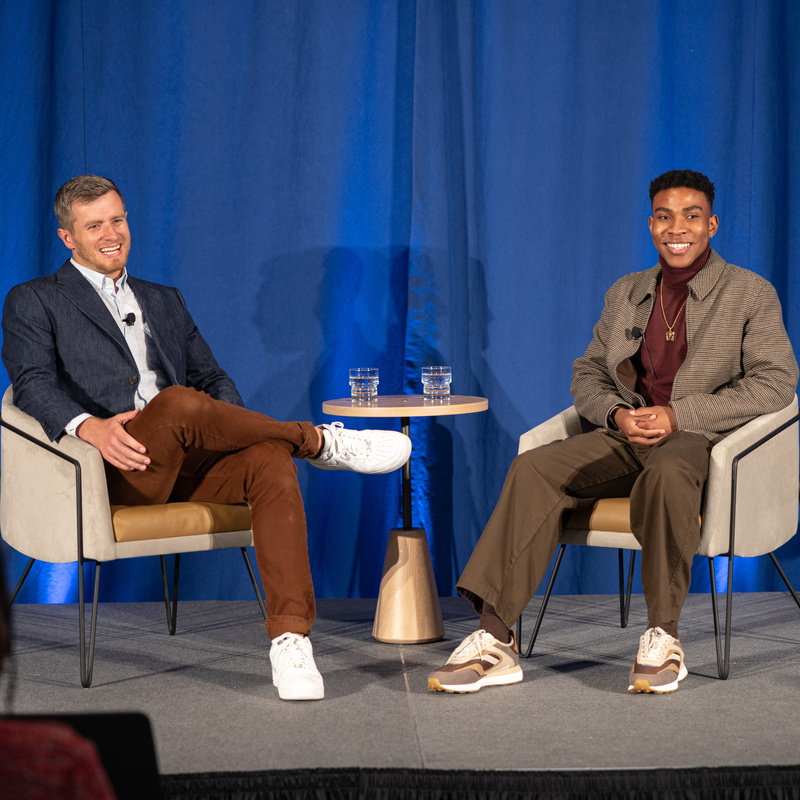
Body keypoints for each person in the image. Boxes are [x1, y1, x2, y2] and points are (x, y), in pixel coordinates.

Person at [1, 175, 412, 702]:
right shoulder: (34, 299)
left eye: (118, 219)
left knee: (267, 459)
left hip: (189, 458)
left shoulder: (164, 299)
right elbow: (31, 383)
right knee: (173, 402)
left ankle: (290, 639)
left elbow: (214, 382)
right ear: (68, 237)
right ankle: (318, 442)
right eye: (95, 225)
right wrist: (91, 428)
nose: (111, 233)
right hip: (110, 471)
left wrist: (231, 433)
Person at [428, 169, 798, 695]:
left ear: (711, 224)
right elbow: (588, 372)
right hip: (624, 434)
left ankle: (663, 636)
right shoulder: (626, 292)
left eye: (692, 216)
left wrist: (680, 416)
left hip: (700, 442)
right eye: (665, 216)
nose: (678, 228)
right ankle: (496, 639)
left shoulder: (749, 293)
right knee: (534, 466)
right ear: (651, 225)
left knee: (668, 472)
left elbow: (776, 383)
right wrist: (618, 416)